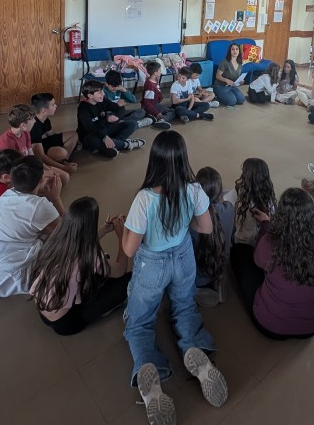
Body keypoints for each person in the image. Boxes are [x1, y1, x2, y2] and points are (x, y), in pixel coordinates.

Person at [121, 131, 228, 423]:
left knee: (140, 322)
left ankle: (149, 371)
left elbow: (129, 249)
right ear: (183, 158)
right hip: (183, 257)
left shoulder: (144, 199)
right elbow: (205, 228)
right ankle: (194, 349)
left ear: (154, 160)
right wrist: (182, 222)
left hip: (152, 265)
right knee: (184, 307)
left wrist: (125, 229)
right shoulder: (193, 189)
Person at [230, 188, 314, 340]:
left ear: (281, 216)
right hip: (311, 327)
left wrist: (266, 224)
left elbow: (258, 260)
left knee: (239, 252)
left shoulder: (271, 243)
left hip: (272, 326)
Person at [0, 155, 64, 304]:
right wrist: (55, 198)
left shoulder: (8, 193)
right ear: (41, 179)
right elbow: (66, 231)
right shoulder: (40, 206)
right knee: (58, 243)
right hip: (8, 265)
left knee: (41, 230)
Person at [27, 196, 132, 336]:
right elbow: (120, 270)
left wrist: (105, 229)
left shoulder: (56, 239)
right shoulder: (90, 257)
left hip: (45, 313)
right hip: (67, 323)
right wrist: (122, 237)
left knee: (97, 269)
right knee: (131, 279)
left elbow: (80, 244)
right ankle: (103, 308)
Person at [190, 167, 233, 307]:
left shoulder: (191, 219)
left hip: (197, 277)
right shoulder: (229, 208)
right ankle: (219, 280)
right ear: (220, 191)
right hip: (219, 266)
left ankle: (194, 290)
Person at [76, 80, 146, 158]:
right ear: (90, 95)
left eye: (102, 91)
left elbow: (118, 107)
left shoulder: (102, 100)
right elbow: (90, 128)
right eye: (100, 92)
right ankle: (126, 144)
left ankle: (115, 142)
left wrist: (116, 117)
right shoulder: (83, 108)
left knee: (132, 124)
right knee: (110, 152)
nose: (103, 94)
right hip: (91, 135)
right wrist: (104, 137)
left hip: (105, 129)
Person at [229, 157, 278, 247]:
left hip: (243, 246)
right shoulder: (269, 199)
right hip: (261, 245)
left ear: (248, 176)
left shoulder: (242, 194)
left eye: (244, 172)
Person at [29, 93, 77, 179]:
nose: (56, 106)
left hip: (45, 142)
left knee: (73, 135)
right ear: (44, 110)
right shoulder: (34, 126)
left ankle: (63, 161)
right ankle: (60, 163)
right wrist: (64, 168)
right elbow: (39, 154)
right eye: (53, 104)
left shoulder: (45, 119)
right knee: (62, 153)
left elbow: (51, 135)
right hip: (39, 150)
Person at [213, 43, 246, 108]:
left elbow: (237, 76)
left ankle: (229, 94)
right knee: (232, 102)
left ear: (239, 51)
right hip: (221, 86)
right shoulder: (225, 62)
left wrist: (242, 81)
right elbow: (217, 76)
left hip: (232, 86)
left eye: (237, 49)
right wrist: (226, 80)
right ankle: (217, 95)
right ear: (230, 51)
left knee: (241, 99)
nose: (235, 51)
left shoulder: (240, 62)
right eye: (233, 49)